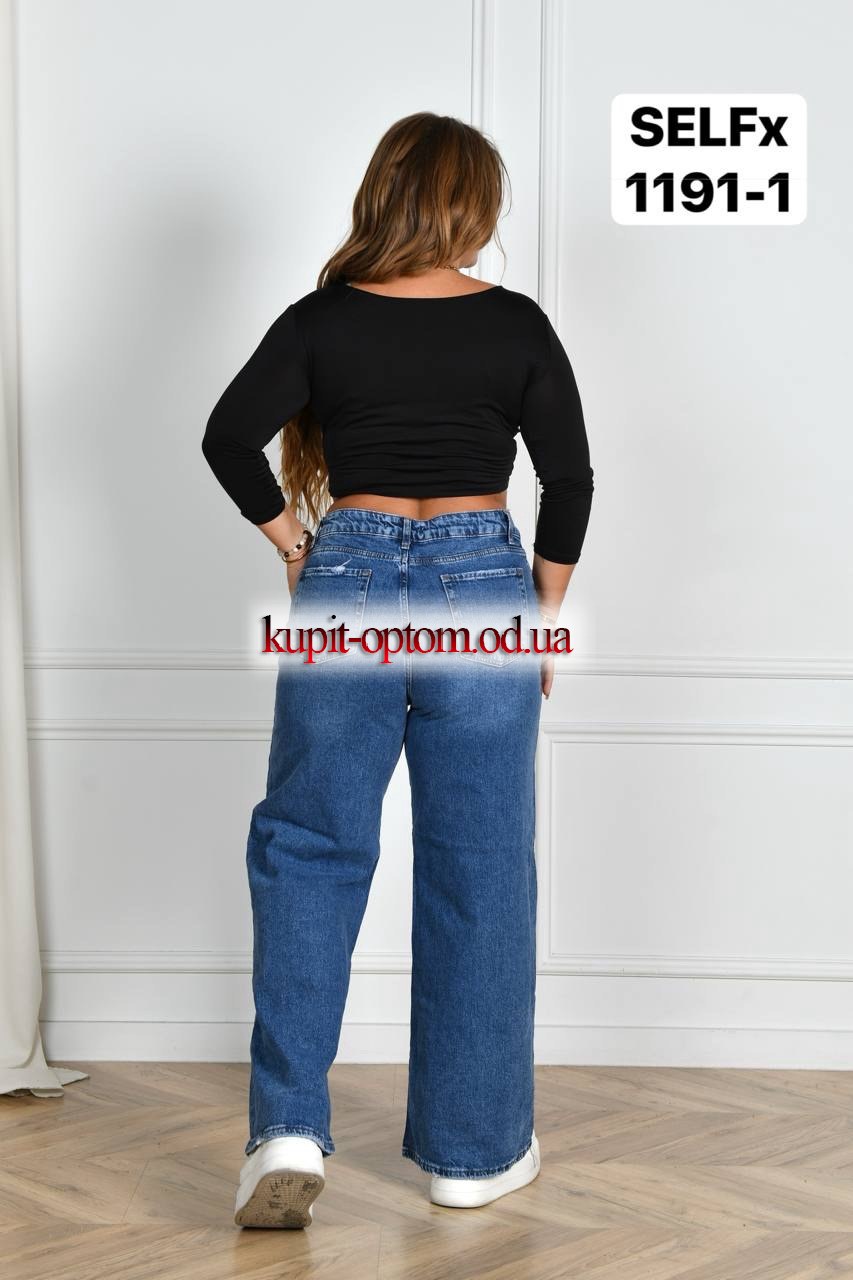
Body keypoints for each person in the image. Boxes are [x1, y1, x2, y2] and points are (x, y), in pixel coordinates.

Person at [201, 111, 594, 1229]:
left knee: (309, 849)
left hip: (352, 574)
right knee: (480, 867)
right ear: (472, 206)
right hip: (483, 584)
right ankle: (471, 1153)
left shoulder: (321, 320)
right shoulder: (515, 325)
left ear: (385, 194)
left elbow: (228, 435)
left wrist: (294, 543)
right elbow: (569, 480)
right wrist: (541, 620)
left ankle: (286, 1126)